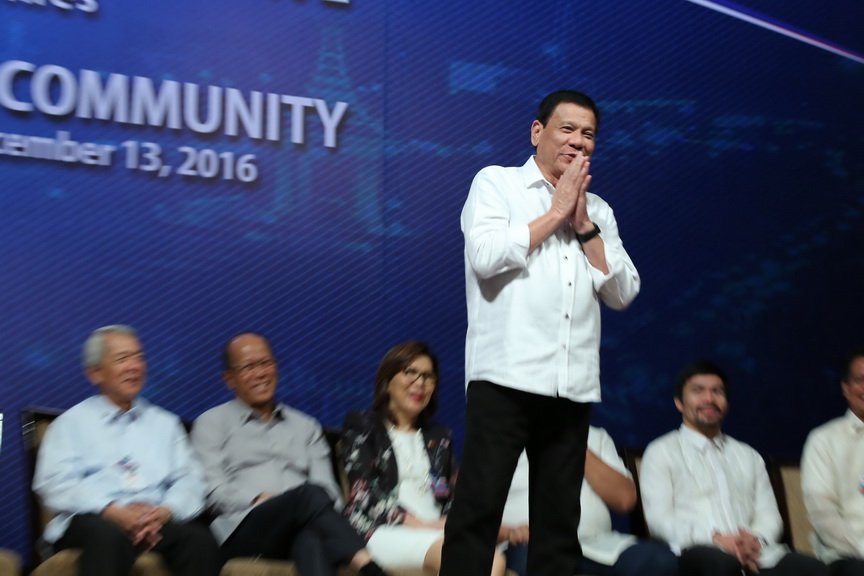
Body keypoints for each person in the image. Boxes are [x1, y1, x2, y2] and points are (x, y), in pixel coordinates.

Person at [439, 89, 641, 576]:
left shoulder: (600, 212)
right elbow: (485, 257)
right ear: (537, 133)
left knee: (558, 527)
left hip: (569, 385)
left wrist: (583, 223)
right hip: (505, 379)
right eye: (567, 129)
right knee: (477, 514)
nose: (578, 142)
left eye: (588, 134)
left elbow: (624, 291)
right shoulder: (497, 184)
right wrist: (555, 212)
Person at [191, 332, 387, 576]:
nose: (261, 373)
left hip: (303, 522)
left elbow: (329, 490)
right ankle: (368, 566)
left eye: (266, 363)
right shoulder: (211, 423)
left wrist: (302, 507)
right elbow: (212, 491)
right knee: (308, 494)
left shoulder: (307, 426)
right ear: (229, 379)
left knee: (310, 537)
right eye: (249, 367)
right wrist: (256, 499)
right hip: (244, 528)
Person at [32, 325, 221, 576]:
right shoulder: (70, 424)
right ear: (95, 373)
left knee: (200, 541)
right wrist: (110, 510)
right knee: (108, 534)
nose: (134, 366)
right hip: (92, 521)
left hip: (155, 521)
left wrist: (164, 512)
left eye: (139, 357)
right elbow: (54, 482)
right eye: (123, 359)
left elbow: (190, 481)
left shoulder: (165, 423)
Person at [639, 360, 828, 576]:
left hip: (756, 553)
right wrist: (716, 539)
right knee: (718, 564)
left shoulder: (748, 455)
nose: (709, 399)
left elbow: (770, 517)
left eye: (717, 391)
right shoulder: (660, 451)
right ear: (679, 403)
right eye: (698, 391)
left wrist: (754, 540)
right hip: (694, 551)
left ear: (726, 402)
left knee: (812, 569)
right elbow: (659, 520)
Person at [340, 341, 506, 576]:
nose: (420, 383)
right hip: (383, 530)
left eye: (428, 377)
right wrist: (422, 526)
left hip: (435, 532)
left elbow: (449, 495)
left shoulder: (439, 438)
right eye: (410, 372)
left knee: (494, 560)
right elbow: (363, 493)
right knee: (456, 556)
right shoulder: (363, 426)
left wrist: (449, 523)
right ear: (387, 380)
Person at [502, 427, 678, 576]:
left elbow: (625, 500)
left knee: (662, 561)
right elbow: (476, 515)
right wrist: (510, 533)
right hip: (528, 543)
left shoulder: (595, 436)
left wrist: (572, 440)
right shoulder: (500, 436)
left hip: (595, 544)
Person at [801, 347, 864, 576]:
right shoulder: (824, 440)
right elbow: (822, 514)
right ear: (846, 388)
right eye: (860, 380)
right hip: (847, 557)